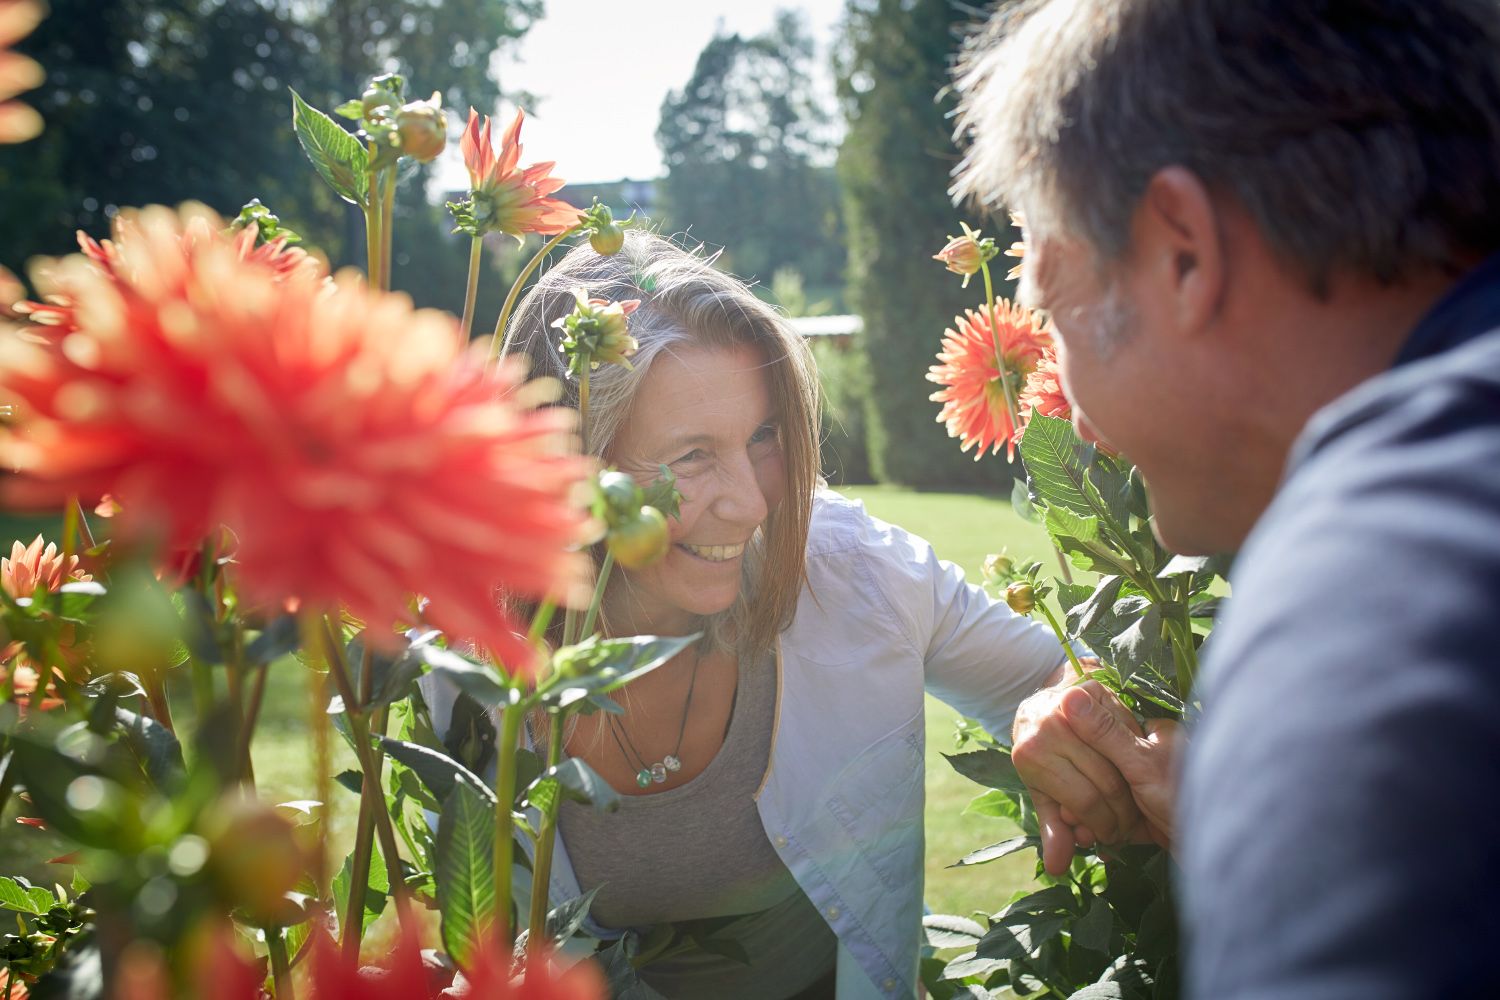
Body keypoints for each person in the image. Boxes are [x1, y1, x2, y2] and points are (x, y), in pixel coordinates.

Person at [950, 0, 1500, 997]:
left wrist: (1299, 781)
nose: (1061, 404)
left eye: (1049, 298)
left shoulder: (1366, 611)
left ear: (1185, 252)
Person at [421, 231, 1084, 1000]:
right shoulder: (457, 668)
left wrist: (1050, 711)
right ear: (568, 467)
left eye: (763, 436)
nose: (753, 501)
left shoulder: (855, 570)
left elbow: (1050, 673)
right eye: (693, 456)